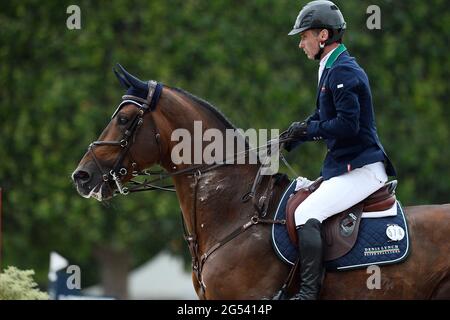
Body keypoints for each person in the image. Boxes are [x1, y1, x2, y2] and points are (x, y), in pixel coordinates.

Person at [284, 0, 396, 300]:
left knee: (307, 213)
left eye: (303, 36)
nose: (300, 44)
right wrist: (294, 134)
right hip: (344, 167)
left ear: (323, 36)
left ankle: (308, 293)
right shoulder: (330, 67)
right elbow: (322, 118)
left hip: (363, 170)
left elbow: (346, 125)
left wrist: (309, 130)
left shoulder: (344, 71)